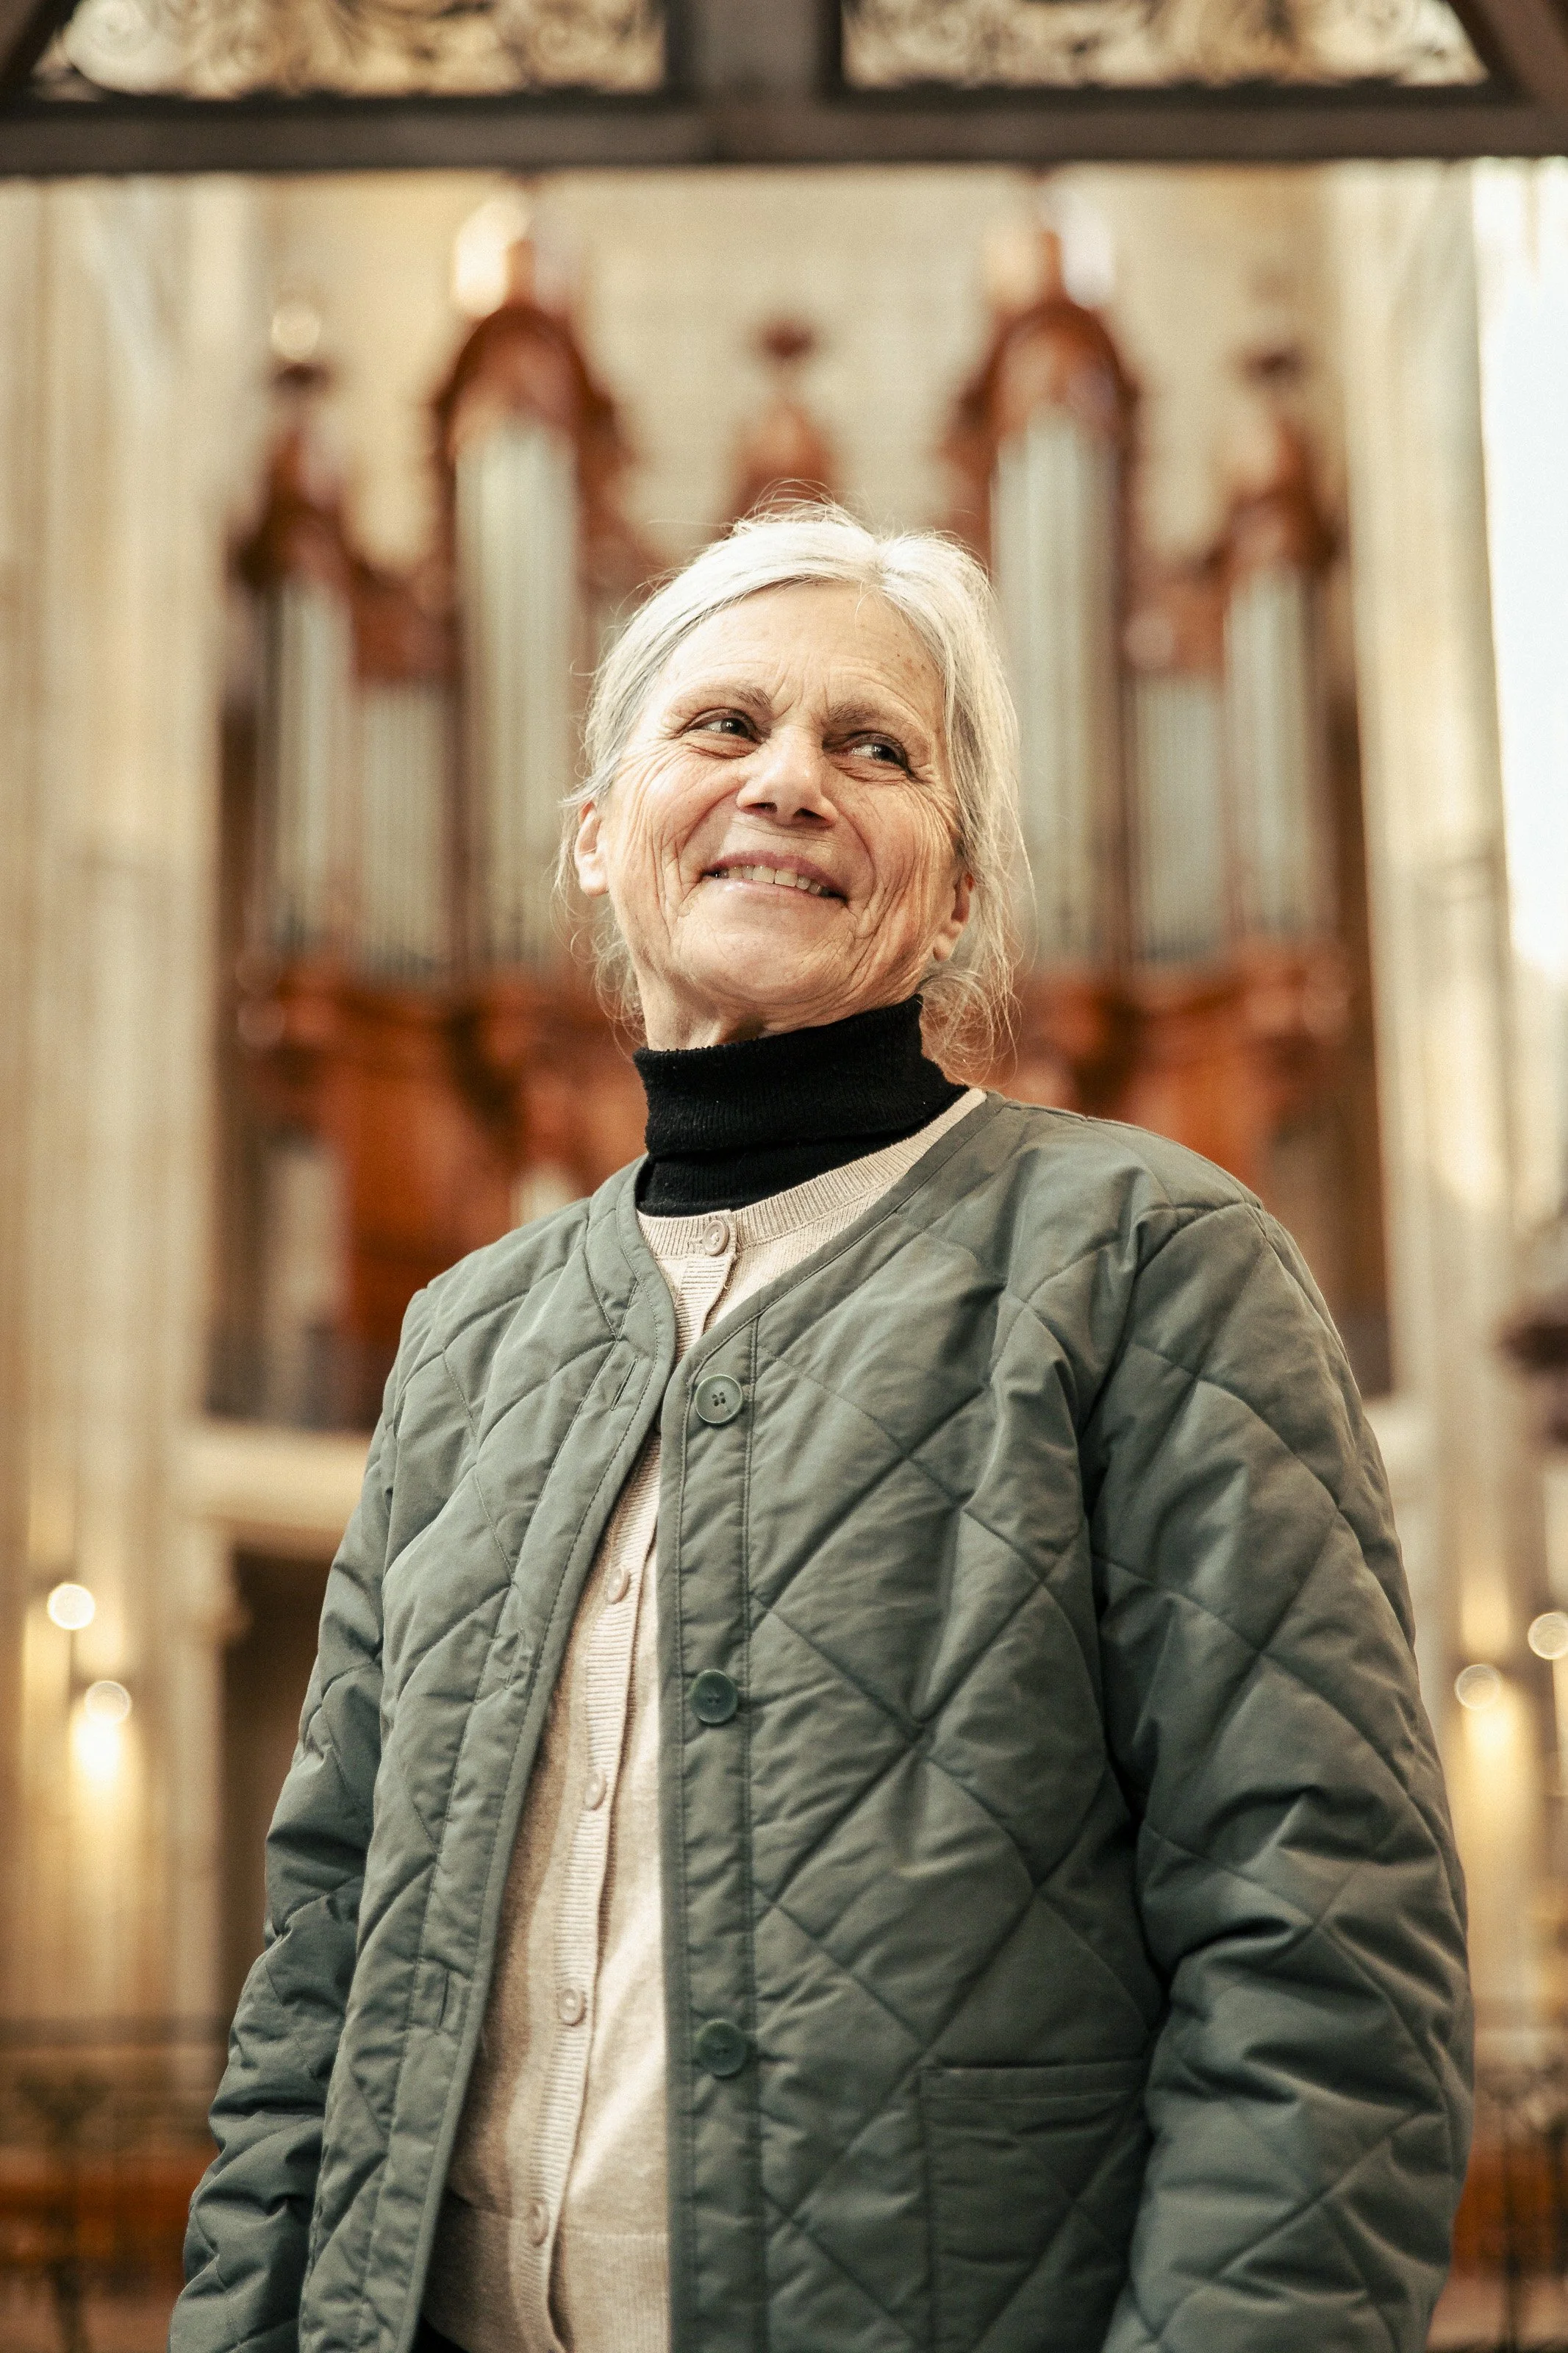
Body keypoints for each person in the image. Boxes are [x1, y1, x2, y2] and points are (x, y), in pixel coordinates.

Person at [171, 505, 1471, 2353]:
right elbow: (318, 1963)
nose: (789, 780)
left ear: (954, 891)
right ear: (599, 841)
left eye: (875, 748)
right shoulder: (464, 1341)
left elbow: (1324, 1977)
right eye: (720, 727)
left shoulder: (1147, 1265)